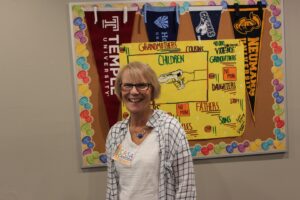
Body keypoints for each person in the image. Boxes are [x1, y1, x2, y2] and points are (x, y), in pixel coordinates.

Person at [105, 62, 196, 200]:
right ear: (120, 90)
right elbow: (112, 187)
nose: (134, 92)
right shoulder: (115, 133)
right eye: (128, 85)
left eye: (141, 85)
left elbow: (186, 188)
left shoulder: (170, 128)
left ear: (152, 90)